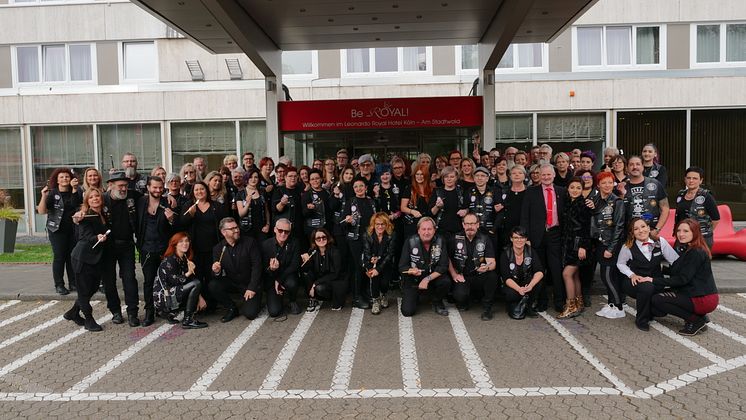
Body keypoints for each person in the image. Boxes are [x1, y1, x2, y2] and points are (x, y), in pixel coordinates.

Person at [650, 219, 719, 336]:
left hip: (703, 298)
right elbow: (680, 271)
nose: (681, 234)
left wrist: (653, 280)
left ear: (695, 232)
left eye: (686, 231)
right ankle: (700, 315)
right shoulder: (688, 248)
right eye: (679, 230)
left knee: (657, 299)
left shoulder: (696, 252)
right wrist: (661, 269)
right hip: (697, 294)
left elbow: (682, 279)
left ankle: (696, 320)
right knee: (657, 299)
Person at [617, 217, 680, 330]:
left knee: (660, 312)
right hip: (636, 283)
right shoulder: (628, 246)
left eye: (643, 226)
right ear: (632, 233)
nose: (641, 231)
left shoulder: (660, 242)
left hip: (656, 281)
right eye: (636, 229)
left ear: (648, 227)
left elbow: (674, 260)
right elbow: (620, 264)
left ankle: (650, 311)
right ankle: (641, 319)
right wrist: (632, 275)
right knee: (647, 287)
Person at [520, 163, 566, 312]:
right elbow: (525, 216)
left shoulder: (562, 191)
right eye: (543, 174)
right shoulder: (531, 192)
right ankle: (542, 301)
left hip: (555, 234)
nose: (546, 177)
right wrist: (525, 236)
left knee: (556, 269)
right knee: (539, 270)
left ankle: (559, 301)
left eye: (548, 174)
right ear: (539, 176)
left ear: (554, 175)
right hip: (536, 236)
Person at [99, 170, 141, 326]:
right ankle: (115, 311)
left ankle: (132, 313)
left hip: (127, 245)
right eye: (120, 185)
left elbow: (151, 197)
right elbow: (87, 208)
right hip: (108, 246)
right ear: (110, 185)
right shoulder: (102, 200)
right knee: (109, 281)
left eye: (125, 185)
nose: (124, 189)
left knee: (129, 279)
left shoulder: (133, 196)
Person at [136, 176, 176, 326]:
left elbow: (176, 226)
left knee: (167, 280)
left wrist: (171, 219)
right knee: (148, 282)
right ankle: (149, 311)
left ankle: (168, 310)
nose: (158, 190)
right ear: (148, 187)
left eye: (160, 187)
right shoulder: (140, 202)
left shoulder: (168, 203)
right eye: (155, 187)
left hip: (164, 248)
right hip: (146, 248)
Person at [67, 188, 109, 332]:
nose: (95, 198)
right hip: (82, 258)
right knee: (84, 291)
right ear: (87, 201)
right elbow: (84, 236)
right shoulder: (86, 215)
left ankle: (73, 313)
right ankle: (89, 320)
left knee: (91, 288)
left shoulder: (103, 213)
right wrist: (96, 237)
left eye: (97, 196)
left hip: (95, 259)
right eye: (91, 197)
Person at [181, 181, 228, 304]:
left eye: (202, 189)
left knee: (211, 276)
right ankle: (199, 303)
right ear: (193, 192)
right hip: (195, 248)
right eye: (196, 190)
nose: (199, 192)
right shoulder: (188, 205)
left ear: (207, 191)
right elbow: (181, 224)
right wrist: (190, 216)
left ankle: (212, 303)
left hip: (213, 247)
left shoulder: (216, 206)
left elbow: (224, 223)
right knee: (197, 275)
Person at [37, 167, 82, 295]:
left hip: (73, 229)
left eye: (67, 176)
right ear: (57, 180)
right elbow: (41, 211)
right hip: (56, 230)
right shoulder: (52, 193)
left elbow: (76, 205)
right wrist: (43, 196)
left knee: (71, 256)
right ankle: (59, 284)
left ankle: (73, 283)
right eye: (61, 177)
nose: (64, 179)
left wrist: (74, 189)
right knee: (60, 256)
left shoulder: (77, 191)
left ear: (71, 178)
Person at [588, 172, 626, 319]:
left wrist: (611, 248)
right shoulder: (595, 200)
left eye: (610, 182)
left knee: (607, 276)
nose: (607, 186)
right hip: (598, 242)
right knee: (607, 275)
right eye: (604, 183)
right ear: (598, 185)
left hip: (610, 244)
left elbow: (619, 227)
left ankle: (619, 306)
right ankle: (611, 304)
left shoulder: (617, 201)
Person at [210, 217, 263, 322]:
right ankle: (231, 308)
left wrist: (252, 288)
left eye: (236, 227)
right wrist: (217, 271)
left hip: (249, 284)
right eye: (232, 229)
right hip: (233, 283)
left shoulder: (250, 242)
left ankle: (251, 300)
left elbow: (257, 266)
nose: (237, 230)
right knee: (213, 285)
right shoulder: (218, 249)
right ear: (223, 232)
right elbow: (217, 275)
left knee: (250, 314)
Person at [449, 212, 499, 320]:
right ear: (463, 225)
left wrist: (487, 267)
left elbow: (492, 263)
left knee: (492, 276)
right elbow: (447, 259)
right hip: (462, 276)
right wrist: (454, 274)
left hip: (479, 275)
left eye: (472, 223)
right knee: (460, 297)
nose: (470, 227)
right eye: (467, 224)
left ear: (478, 224)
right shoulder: (455, 238)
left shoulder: (485, 239)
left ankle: (487, 308)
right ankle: (467, 298)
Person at [154, 232, 208, 329]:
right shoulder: (170, 260)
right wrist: (189, 272)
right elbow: (174, 281)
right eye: (181, 241)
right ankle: (188, 320)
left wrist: (200, 298)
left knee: (195, 283)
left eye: (187, 241)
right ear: (175, 244)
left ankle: (172, 315)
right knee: (196, 283)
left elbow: (189, 281)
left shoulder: (183, 258)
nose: (185, 244)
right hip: (164, 298)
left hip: (172, 294)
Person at [399, 217, 451, 317]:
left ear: (434, 230)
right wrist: (410, 270)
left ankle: (437, 301)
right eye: (423, 229)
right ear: (418, 230)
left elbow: (443, 266)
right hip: (414, 279)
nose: (426, 232)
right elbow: (402, 267)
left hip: (433, 277)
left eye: (429, 229)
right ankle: (416, 296)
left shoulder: (440, 240)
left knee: (445, 281)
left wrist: (427, 279)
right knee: (407, 312)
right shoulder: (410, 241)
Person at [557, 177, 591, 319]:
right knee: (575, 275)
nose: (575, 190)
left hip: (578, 245)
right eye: (572, 187)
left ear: (582, 189)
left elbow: (587, 228)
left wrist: (583, 246)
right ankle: (578, 303)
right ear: (568, 189)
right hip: (568, 244)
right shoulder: (567, 203)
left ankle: (570, 306)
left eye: (578, 188)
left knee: (567, 274)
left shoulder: (584, 205)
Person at [345, 178, 378, 309]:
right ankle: (356, 297)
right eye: (356, 186)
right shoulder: (350, 202)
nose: (358, 189)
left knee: (368, 265)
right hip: (355, 239)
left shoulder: (371, 201)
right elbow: (342, 221)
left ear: (366, 188)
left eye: (361, 186)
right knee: (359, 266)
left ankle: (365, 292)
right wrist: (348, 220)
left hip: (369, 238)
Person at [618, 156, 669, 241]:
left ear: (642, 167)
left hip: (650, 232)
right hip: (628, 234)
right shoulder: (622, 187)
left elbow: (665, 208)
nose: (635, 167)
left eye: (638, 164)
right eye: (631, 165)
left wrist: (657, 229)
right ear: (627, 168)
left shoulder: (655, 184)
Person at [501, 226, 544, 320]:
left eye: (522, 237)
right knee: (511, 294)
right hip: (513, 285)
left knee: (538, 282)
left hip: (526, 283)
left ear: (526, 239)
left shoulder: (531, 251)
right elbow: (506, 278)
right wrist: (518, 289)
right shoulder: (505, 253)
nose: (519, 240)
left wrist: (531, 285)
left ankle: (528, 305)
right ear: (511, 239)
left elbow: (540, 271)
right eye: (516, 237)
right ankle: (514, 303)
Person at [262, 218, 302, 317]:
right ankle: (278, 297)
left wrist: (279, 280)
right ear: (275, 229)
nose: (283, 234)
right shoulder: (266, 245)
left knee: (292, 283)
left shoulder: (294, 243)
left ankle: (292, 300)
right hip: (272, 279)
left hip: (287, 276)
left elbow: (295, 265)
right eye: (280, 230)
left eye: (287, 231)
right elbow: (263, 269)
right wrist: (271, 269)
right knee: (274, 312)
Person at [301, 228, 345, 311]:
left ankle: (331, 298)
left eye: (324, 237)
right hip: (320, 280)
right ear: (314, 240)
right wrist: (306, 261)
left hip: (332, 282)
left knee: (319, 288)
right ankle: (313, 299)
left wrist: (315, 284)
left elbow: (335, 274)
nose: (321, 240)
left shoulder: (335, 251)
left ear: (328, 238)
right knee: (306, 274)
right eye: (318, 238)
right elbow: (307, 270)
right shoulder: (312, 251)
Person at [675, 167, 720, 248]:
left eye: (695, 178)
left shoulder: (706, 196)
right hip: (683, 237)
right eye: (689, 178)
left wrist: (704, 232)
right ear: (685, 179)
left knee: (697, 260)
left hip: (701, 238)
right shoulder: (680, 194)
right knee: (679, 259)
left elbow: (716, 219)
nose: (691, 181)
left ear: (701, 180)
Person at [362, 213, 397, 315]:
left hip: (386, 262)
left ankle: (383, 294)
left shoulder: (392, 234)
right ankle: (375, 300)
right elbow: (366, 252)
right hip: (371, 262)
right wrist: (371, 260)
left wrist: (379, 268)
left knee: (385, 283)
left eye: (383, 224)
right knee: (374, 278)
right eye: (377, 224)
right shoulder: (367, 234)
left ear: (387, 225)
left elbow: (390, 254)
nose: (380, 226)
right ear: (373, 224)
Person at [430, 166, 466, 238]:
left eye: (452, 177)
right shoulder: (437, 191)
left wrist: (466, 210)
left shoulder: (462, 191)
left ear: (456, 178)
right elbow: (431, 213)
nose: (449, 179)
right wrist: (437, 206)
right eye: (446, 177)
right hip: (440, 230)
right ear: (443, 178)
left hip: (458, 230)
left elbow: (468, 208)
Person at [271, 166, 304, 243]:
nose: (293, 178)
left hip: (299, 229)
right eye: (290, 176)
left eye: (295, 176)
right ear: (285, 177)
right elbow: (275, 210)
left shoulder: (301, 190)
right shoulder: (279, 191)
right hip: (284, 230)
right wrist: (282, 203)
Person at [400, 163, 432, 240]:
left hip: (427, 224)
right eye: (417, 174)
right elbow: (403, 208)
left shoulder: (431, 189)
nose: (419, 177)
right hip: (412, 224)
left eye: (422, 174)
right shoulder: (409, 189)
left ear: (426, 176)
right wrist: (412, 211)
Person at [236, 169, 271, 239]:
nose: (253, 179)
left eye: (256, 177)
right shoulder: (240, 194)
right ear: (247, 179)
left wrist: (267, 224)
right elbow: (241, 214)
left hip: (262, 229)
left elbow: (266, 210)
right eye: (250, 177)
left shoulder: (262, 192)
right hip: (247, 229)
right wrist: (248, 203)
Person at [302, 169, 331, 237]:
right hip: (312, 229)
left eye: (317, 178)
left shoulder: (327, 193)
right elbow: (304, 213)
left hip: (326, 228)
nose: (315, 181)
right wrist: (309, 209)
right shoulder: (306, 194)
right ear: (309, 181)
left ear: (321, 179)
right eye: (312, 179)